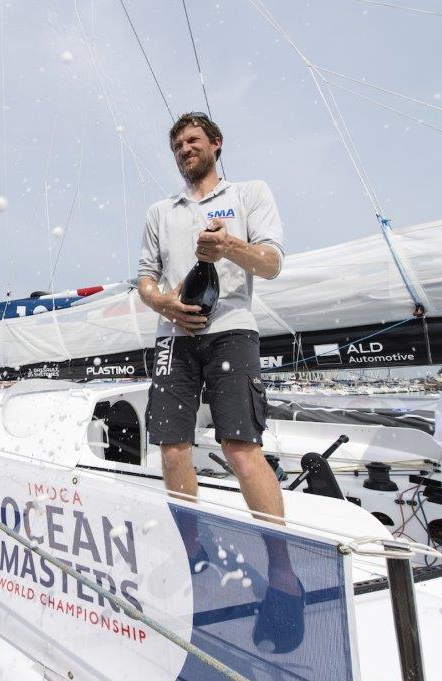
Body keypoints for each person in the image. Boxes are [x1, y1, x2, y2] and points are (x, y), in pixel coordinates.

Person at [137, 112, 303, 651]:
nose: (186, 149)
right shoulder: (161, 212)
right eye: (178, 145)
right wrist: (162, 300)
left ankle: (284, 576)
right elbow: (143, 277)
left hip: (231, 328)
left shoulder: (250, 194)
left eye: (193, 141)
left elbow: (273, 263)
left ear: (215, 145)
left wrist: (228, 247)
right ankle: (190, 551)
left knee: (240, 450)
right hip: (174, 336)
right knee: (170, 449)